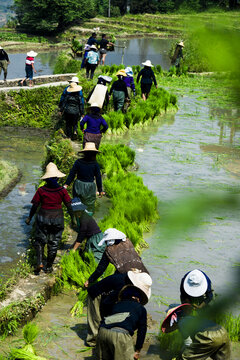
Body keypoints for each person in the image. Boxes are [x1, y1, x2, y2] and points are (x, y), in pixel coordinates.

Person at [161, 269, 231, 360]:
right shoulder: (197, 320)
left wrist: (181, 355)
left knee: (186, 358)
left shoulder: (182, 323)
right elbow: (184, 297)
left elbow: (188, 344)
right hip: (223, 332)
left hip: (209, 337)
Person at [25, 162, 73, 274]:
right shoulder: (62, 190)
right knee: (54, 242)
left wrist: (29, 218)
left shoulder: (41, 190)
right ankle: (49, 267)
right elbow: (69, 205)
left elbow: (35, 205)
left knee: (40, 240)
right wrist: (73, 219)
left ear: (46, 179)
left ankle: (40, 263)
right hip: (57, 218)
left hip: (43, 218)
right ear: (57, 178)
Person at [86, 269, 152, 347]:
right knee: (96, 319)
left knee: (103, 320)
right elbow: (106, 303)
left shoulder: (127, 284)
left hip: (107, 295)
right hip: (97, 294)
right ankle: (92, 342)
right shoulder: (122, 285)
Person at [96, 281, 150, 360]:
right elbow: (142, 330)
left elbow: (106, 318)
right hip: (120, 335)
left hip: (102, 332)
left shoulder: (116, 305)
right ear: (138, 298)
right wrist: (138, 350)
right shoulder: (141, 308)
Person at [84, 228, 149, 287]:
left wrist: (89, 280)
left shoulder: (109, 250)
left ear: (110, 241)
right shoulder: (127, 242)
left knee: (105, 285)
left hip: (128, 278)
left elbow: (100, 269)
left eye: (106, 241)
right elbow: (136, 258)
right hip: (144, 275)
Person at [64, 142, 103, 212]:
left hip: (78, 186)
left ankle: (77, 220)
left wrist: (67, 184)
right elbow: (98, 178)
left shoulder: (78, 162)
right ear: (94, 154)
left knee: (77, 204)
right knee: (89, 205)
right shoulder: (95, 164)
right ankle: (87, 219)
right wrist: (100, 190)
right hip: (90, 187)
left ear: (84, 153)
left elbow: (72, 174)